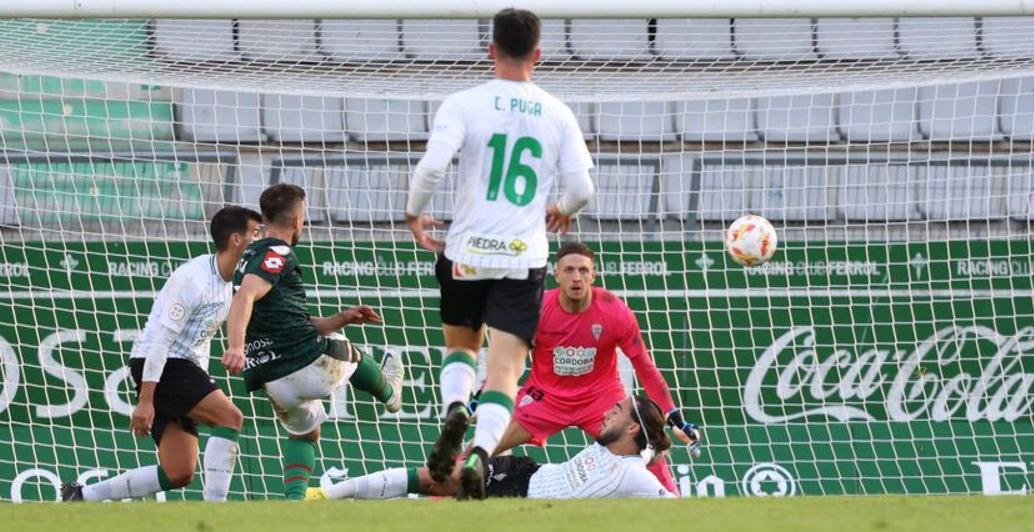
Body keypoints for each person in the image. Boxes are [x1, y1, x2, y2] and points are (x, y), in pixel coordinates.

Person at [403, 7, 595, 500]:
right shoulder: (557, 111)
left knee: (463, 349)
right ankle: (483, 454)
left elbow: (430, 170)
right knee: (505, 370)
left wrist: (414, 214)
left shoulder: (465, 102)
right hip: (521, 256)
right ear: (538, 54)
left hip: (465, 249)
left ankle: (453, 411)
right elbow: (582, 188)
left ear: (491, 50)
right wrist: (563, 209)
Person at [61, 206, 262, 502]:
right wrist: (145, 400)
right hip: (162, 363)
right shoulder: (193, 278)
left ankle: (81, 497)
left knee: (179, 471)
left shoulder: (235, 283)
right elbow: (160, 340)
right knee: (230, 418)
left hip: (181, 367)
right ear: (235, 239)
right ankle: (218, 512)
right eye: (256, 234)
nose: (261, 240)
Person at [223, 183, 404, 500]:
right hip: (306, 362)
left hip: (275, 378)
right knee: (351, 352)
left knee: (305, 435)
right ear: (296, 221)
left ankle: (294, 502)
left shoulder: (247, 255)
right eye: (303, 218)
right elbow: (245, 296)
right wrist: (235, 347)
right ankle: (390, 393)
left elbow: (294, 321)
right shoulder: (277, 253)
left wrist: (342, 316)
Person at [490, 242, 702, 494]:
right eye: (568, 270)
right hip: (545, 397)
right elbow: (508, 359)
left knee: (651, 454)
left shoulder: (616, 313)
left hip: (600, 399)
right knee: (483, 445)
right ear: (556, 274)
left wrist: (673, 416)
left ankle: (676, 507)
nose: (576, 277)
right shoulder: (536, 310)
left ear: (593, 274)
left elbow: (644, 367)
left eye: (583, 270)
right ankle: (439, 500)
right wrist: (484, 396)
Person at [308, 396, 674, 500]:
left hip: (525, 503)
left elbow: (671, 508)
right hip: (525, 475)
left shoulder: (632, 474)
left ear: (631, 427)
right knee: (437, 477)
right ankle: (328, 495)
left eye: (618, 410)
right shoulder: (611, 448)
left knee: (438, 484)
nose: (608, 412)